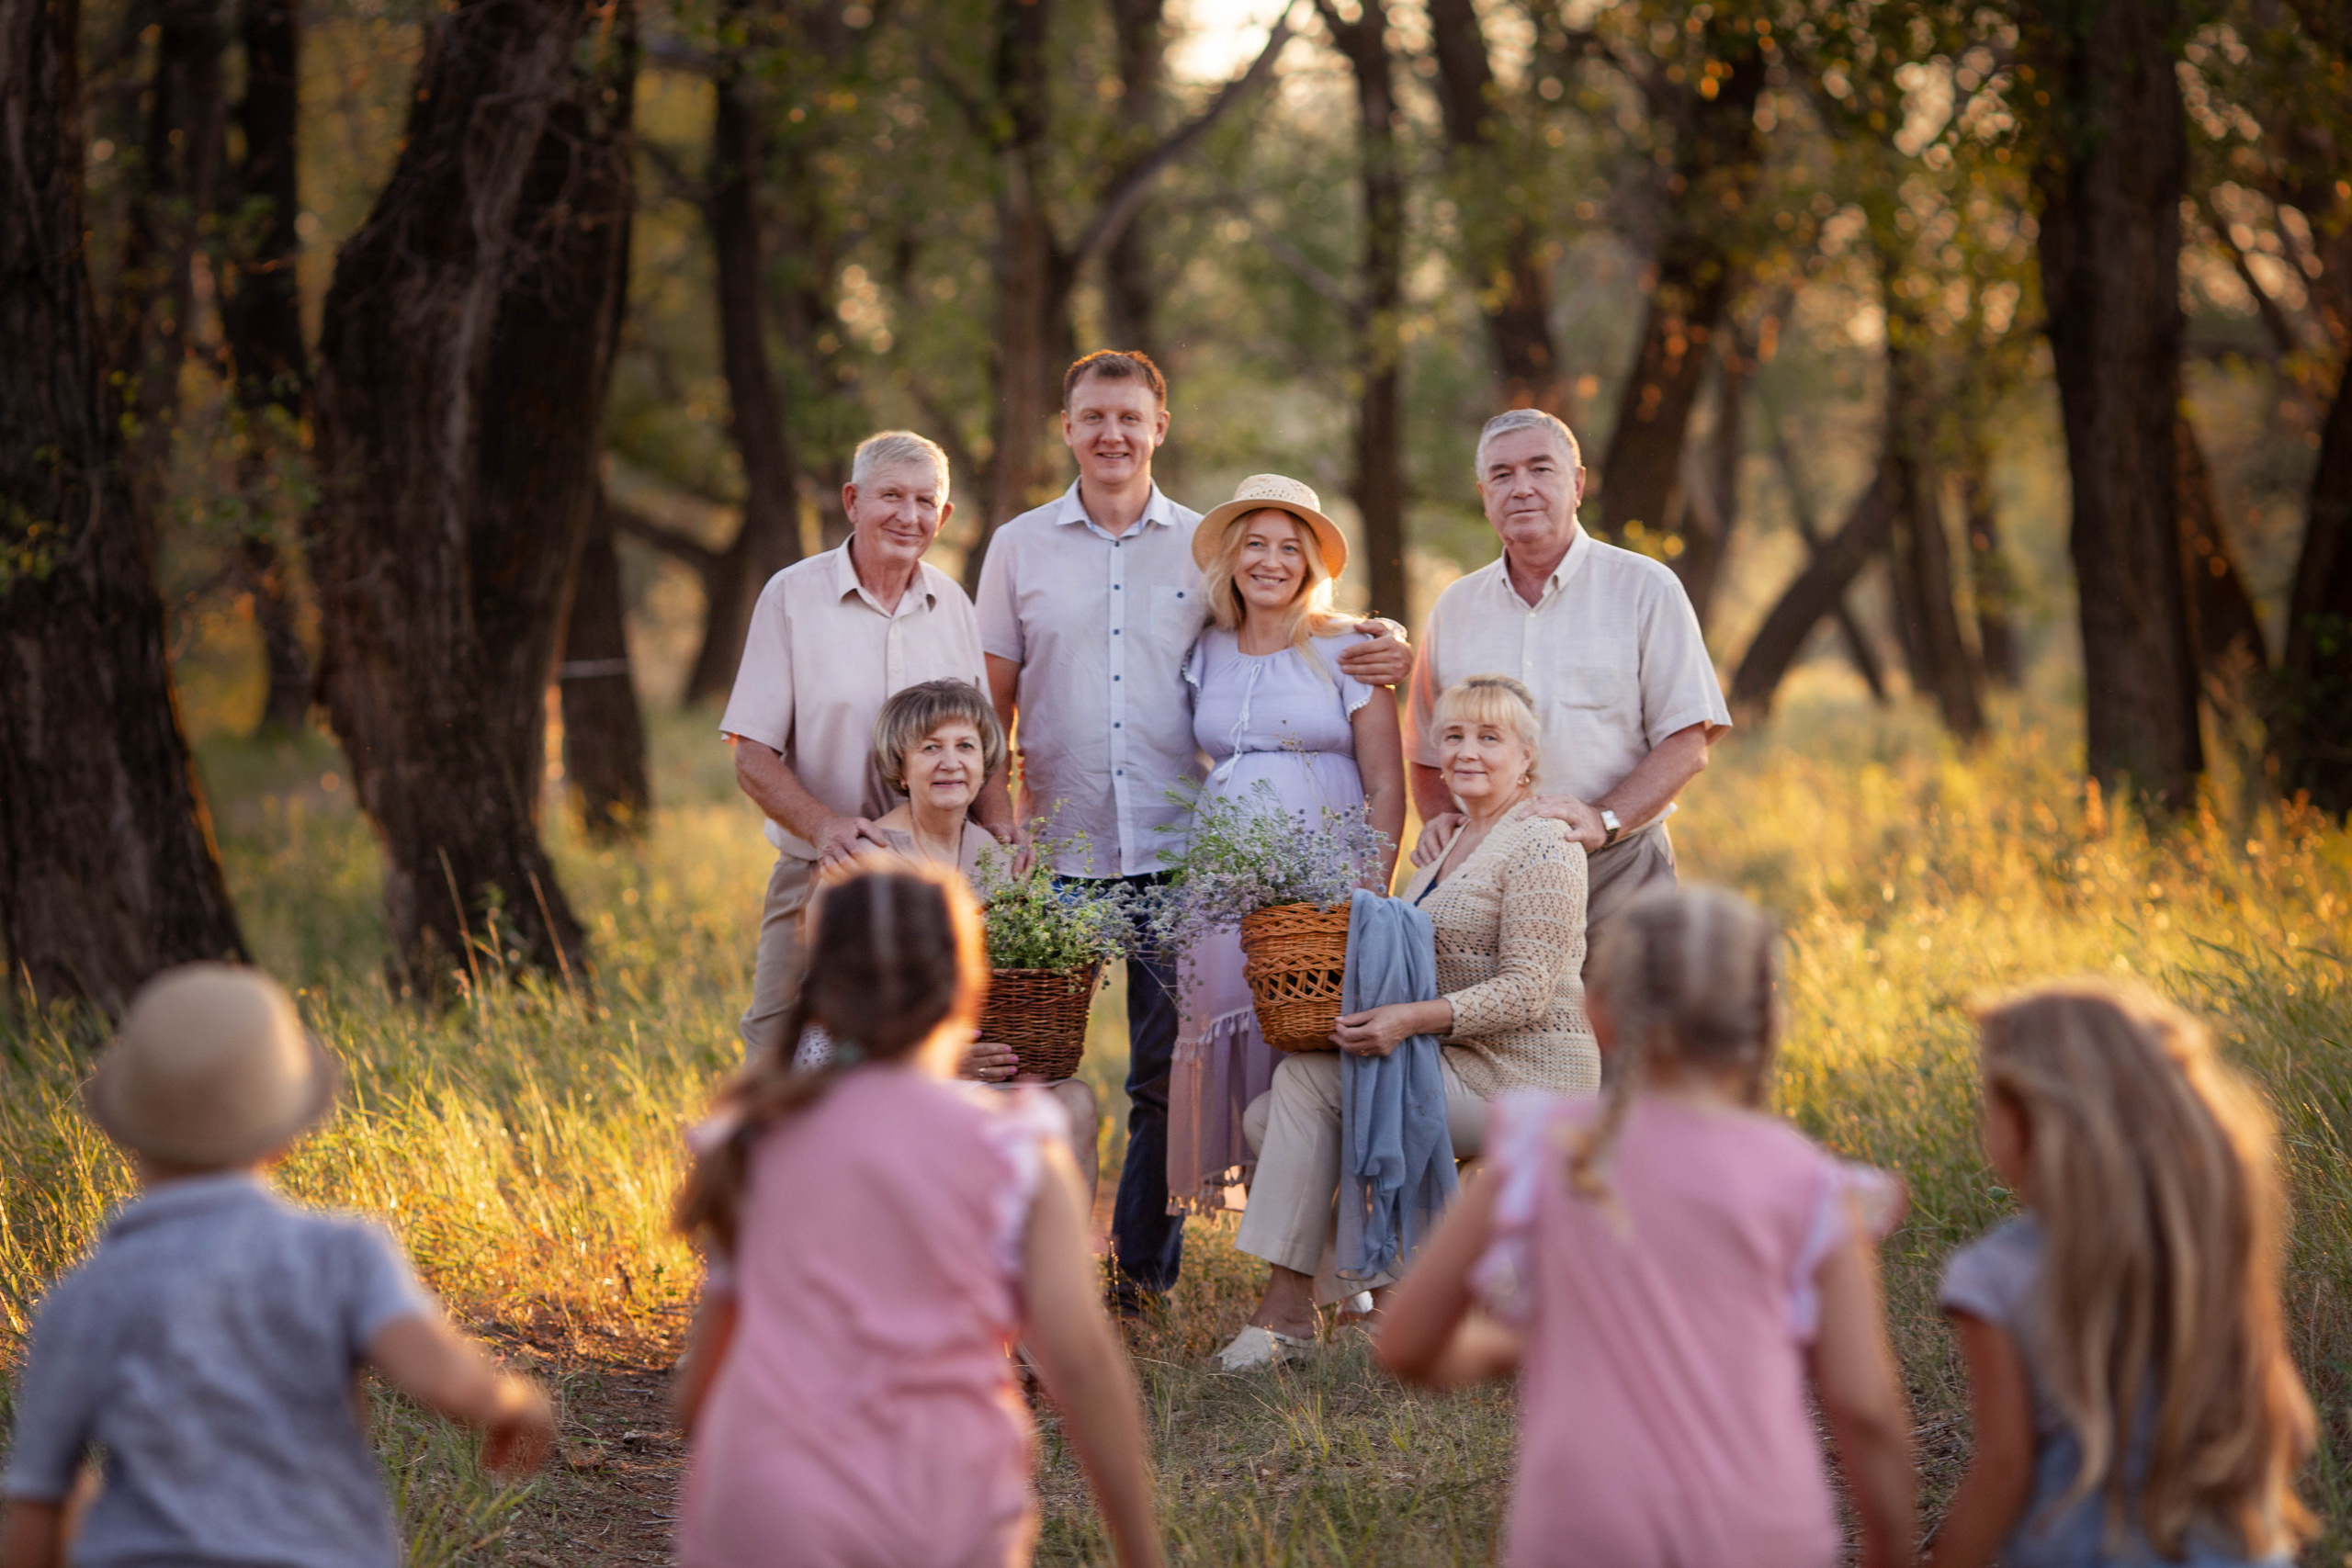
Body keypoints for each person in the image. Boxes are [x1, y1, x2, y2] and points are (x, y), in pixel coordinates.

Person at [977, 349, 1411, 1314]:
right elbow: (987, 704)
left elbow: (1296, 619)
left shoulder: (1200, 551)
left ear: (1159, 428)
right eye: (1093, 416)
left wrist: (1387, 644)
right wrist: (1001, 830)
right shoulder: (1017, 546)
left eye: (1130, 417)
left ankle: (1140, 1282)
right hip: (1059, 852)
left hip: (1185, 865)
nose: (1112, 434)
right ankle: (1023, 1278)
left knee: (1162, 1078)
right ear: (1066, 426)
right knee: (1034, 1067)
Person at [1376, 887, 1918, 1568]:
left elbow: (1405, 1344)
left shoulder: (1540, 1148)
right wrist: (1892, 1549)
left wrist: (1497, 1349)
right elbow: (1864, 1407)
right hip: (1762, 1530)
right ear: (1769, 1022)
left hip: (1584, 1528)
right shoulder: (1806, 1183)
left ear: (1598, 1013)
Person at [670, 866, 1162, 1568]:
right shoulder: (1017, 1147)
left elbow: (700, 1392)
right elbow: (1082, 1364)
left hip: (766, 1503)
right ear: (969, 987)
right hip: (945, 1500)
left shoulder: (752, 1138)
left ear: (821, 990)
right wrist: (1140, 1549)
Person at [0, 964, 553, 1568]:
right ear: (287, 1134)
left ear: (125, 1133)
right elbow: (443, 1380)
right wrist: (514, 1402)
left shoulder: (81, 1298)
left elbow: (38, 1507)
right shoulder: (341, 1253)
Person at [1215, 676, 1589, 1370]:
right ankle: (1380, 1290)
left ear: (1528, 755)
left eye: (1489, 737)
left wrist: (1408, 1020)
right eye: (1453, 736)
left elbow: (1531, 991)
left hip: (1525, 1076)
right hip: (1447, 1059)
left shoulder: (1544, 842)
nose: (1468, 751)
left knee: (1303, 1088)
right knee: (1271, 1115)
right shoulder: (1445, 843)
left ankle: (1290, 1310)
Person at [1926, 983, 2315, 1568]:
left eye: (1989, 1101)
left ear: (2035, 1119)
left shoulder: (1994, 1275)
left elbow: (2004, 1471)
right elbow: (2291, 1428)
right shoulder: (2202, 1248)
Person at [721, 429, 1012, 1062]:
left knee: (953, 1057)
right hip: (822, 873)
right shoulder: (792, 597)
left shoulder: (954, 606)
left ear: (945, 515)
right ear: (852, 500)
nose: (909, 516)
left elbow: (984, 745)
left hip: (946, 888)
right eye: (891, 496)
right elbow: (751, 753)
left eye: (925, 500)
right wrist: (826, 828)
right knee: (780, 1053)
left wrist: (1004, 827)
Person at [1407, 408, 1731, 958]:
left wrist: (1603, 820)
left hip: (1618, 867)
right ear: (1484, 492)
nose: (1522, 488)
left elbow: (1688, 741)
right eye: (1503, 475)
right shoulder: (1456, 606)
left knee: (1623, 1037)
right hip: (1488, 873)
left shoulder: (1645, 587)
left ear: (1577, 484)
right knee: (1502, 1035)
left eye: (1541, 469)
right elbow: (1424, 746)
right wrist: (1441, 817)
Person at [1166, 474, 1406, 1219]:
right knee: (1236, 1022)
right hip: (1223, 883)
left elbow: (1387, 785)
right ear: (1232, 557)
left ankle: (1333, 1238)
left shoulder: (1347, 646)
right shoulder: (1204, 647)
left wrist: (1369, 888)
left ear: (1311, 565)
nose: (1271, 561)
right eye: (1256, 545)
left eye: (1289, 549)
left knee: (1310, 1041)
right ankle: (1268, 1228)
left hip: (1327, 878)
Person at [859, 677, 1102, 1205]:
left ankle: (1052, 1283)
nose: (951, 762)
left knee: (1077, 1102)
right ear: (899, 766)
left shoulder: (997, 859)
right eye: (931, 748)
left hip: (988, 1058)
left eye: (965, 746)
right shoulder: (870, 858)